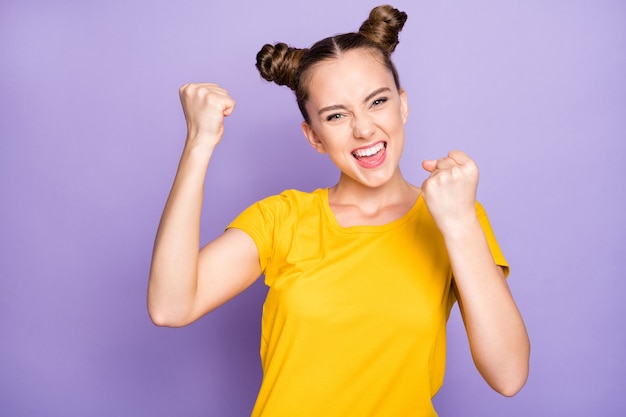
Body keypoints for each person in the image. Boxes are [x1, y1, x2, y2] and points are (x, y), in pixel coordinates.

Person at [147, 4, 530, 416]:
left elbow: (508, 376)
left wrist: (459, 224)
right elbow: (171, 307)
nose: (363, 128)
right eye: (336, 115)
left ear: (402, 105)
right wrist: (198, 144)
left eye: (377, 101)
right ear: (314, 136)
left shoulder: (455, 217)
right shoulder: (283, 219)